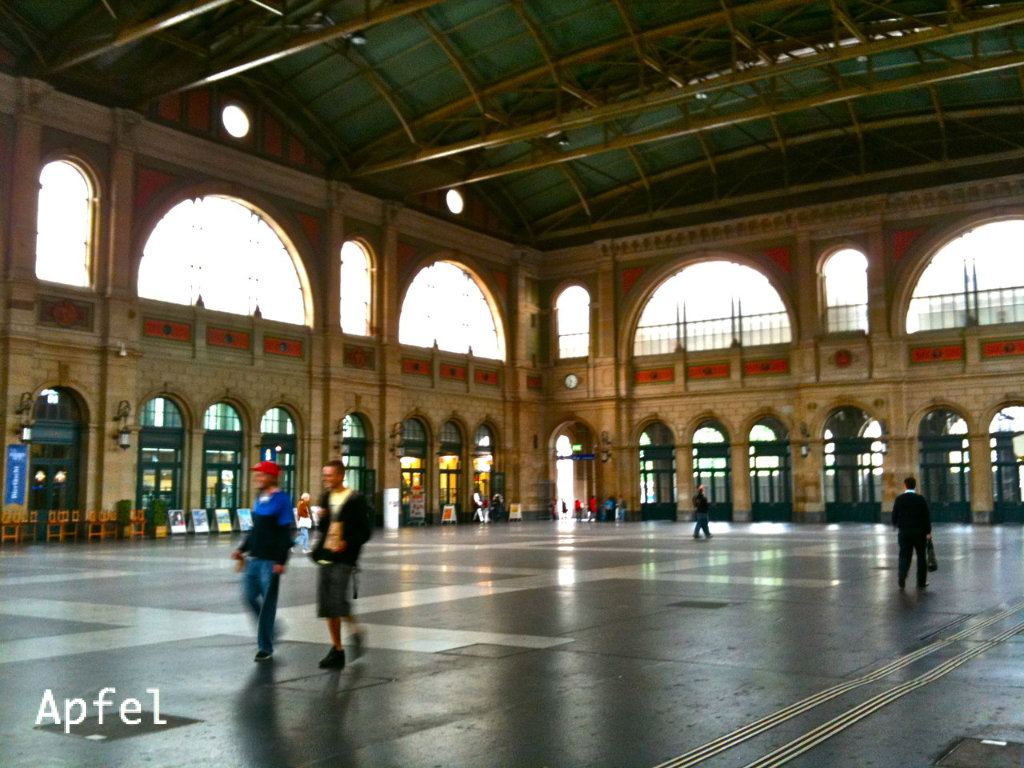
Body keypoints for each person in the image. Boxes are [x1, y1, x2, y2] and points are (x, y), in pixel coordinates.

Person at [231, 461, 294, 662]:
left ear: (271, 477)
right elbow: (255, 529)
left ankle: (265, 647)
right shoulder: (259, 498)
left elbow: (285, 533)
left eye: (261, 475)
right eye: (256, 474)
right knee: (249, 596)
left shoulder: (282, 499)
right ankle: (272, 629)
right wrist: (242, 549)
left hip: (270, 562)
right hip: (254, 559)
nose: (257, 478)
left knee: (267, 605)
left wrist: (281, 560)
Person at [315, 460, 371, 670]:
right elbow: (324, 529)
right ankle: (337, 648)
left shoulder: (355, 499)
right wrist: (322, 518)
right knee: (327, 605)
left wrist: (347, 543)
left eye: (329, 475)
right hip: (326, 555)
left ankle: (353, 632)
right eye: (324, 475)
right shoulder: (325, 497)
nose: (326, 479)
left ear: (340, 476)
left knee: (337, 600)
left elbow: (365, 532)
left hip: (345, 558)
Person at [892, 476, 932, 589]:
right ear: (915, 486)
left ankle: (902, 576)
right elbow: (926, 516)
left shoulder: (900, 499)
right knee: (921, 556)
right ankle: (921, 581)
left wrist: (895, 524)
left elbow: (894, 514)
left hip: (904, 532)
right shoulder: (920, 499)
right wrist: (928, 531)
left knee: (904, 555)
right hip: (919, 532)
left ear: (905, 486)